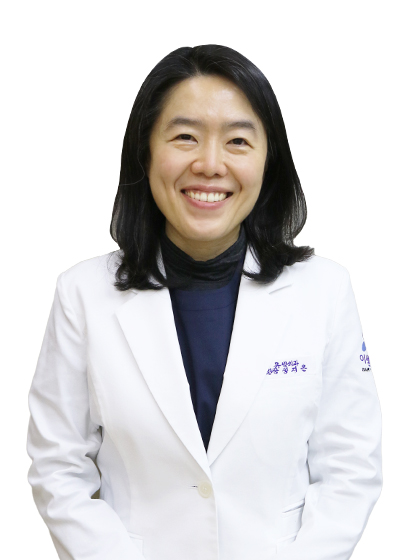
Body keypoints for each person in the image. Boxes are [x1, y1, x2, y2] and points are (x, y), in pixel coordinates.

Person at [27, 44, 382, 560]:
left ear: (268, 161)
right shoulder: (81, 295)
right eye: (185, 137)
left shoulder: (325, 291)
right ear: (145, 153)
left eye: (238, 141)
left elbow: (351, 467)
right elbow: (58, 468)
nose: (210, 164)